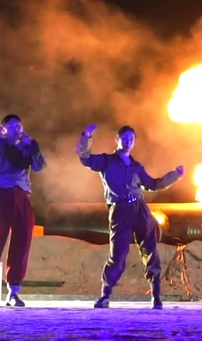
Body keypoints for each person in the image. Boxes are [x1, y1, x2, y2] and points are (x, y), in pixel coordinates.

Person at [76, 124, 184, 309]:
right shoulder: (106, 161)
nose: (128, 142)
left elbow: (153, 184)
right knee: (117, 255)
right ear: (117, 140)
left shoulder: (136, 166)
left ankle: (156, 297)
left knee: (150, 251)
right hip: (120, 211)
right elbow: (85, 158)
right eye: (125, 138)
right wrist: (86, 136)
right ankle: (105, 296)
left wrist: (175, 175)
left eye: (131, 139)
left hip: (140, 209)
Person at [0, 114, 46, 307]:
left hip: (21, 196)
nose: (16, 128)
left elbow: (40, 166)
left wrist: (33, 145)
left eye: (19, 125)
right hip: (0, 194)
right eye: (11, 126)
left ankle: (13, 292)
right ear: (3, 128)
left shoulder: (25, 146)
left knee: (21, 244)